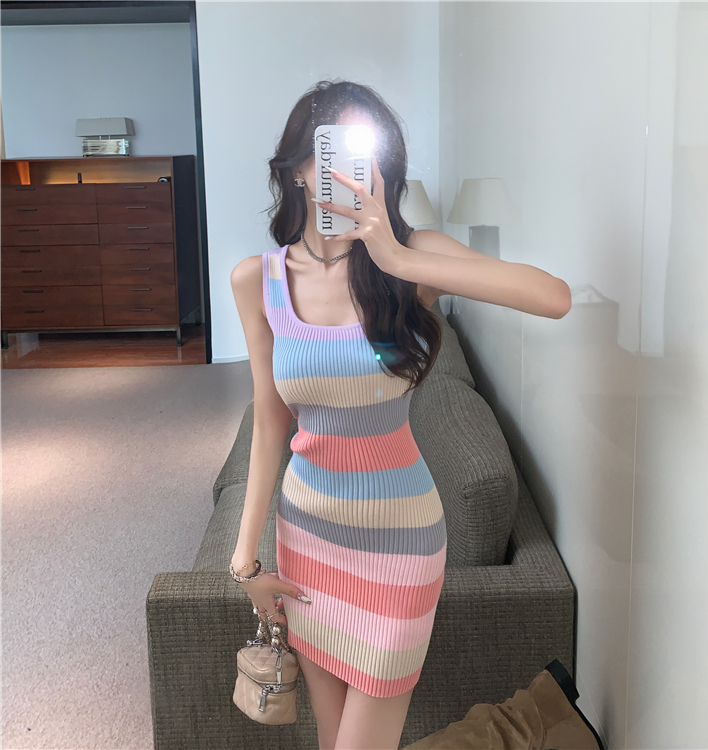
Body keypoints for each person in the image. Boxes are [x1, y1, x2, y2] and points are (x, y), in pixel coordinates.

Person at [228, 79, 572, 750]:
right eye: (331, 153)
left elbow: (552, 297)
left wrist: (396, 255)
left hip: (399, 547)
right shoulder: (258, 281)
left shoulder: (410, 263)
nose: (350, 173)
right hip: (308, 541)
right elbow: (270, 422)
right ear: (297, 169)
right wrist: (245, 562)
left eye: (368, 157)